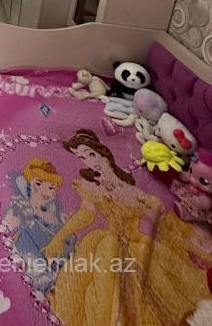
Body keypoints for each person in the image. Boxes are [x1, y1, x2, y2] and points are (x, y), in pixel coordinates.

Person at [44, 128, 212, 325]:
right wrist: (60, 237)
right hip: (116, 240)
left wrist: (147, 219)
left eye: (91, 154)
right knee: (106, 269)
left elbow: (154, 203)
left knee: (168, 277)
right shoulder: (92, 186)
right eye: (83, 158)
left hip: (144, 236)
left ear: (103, 153)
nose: (90, 161)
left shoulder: (125, 180)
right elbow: (85, 215)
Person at [5, 157, 75, 292]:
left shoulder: (59, 218)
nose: (45, 190)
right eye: (39, 183)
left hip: (67, 277)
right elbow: (1, 234)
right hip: (37, 275)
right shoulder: (20, 209)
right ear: (29, 183)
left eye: (51, 187)